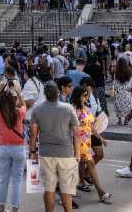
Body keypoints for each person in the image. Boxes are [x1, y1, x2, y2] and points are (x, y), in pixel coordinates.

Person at [29, 82, 80, 212]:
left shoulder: (37, 109)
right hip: (66, 153)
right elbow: (77, 133)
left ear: (45, 94)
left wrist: (32, 152)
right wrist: (78, 153)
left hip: (46, 153)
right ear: (58, 92)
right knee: (66, 189)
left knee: (49, 188)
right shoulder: (68, 108)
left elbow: (33, 134)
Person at [70, 87, 113, 203]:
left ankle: (67, 191)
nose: (86, 97)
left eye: (87, 95)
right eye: (84, 95)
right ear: (77, 95)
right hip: (77, 143)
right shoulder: (72, 109)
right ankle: (101, 192)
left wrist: (101, 138)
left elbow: (92, 127)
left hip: (86, 143)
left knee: (75, 167)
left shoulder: (85, 108)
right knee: (88, 164)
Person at [0, 84, 26, 212]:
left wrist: (2, 93)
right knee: (17, 181)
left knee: (3, 180)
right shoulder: (19, 113)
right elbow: (24, 104)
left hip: (3, 148)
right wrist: (18, 93)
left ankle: (1, 209)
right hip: (18, 148)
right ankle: (14, 210)